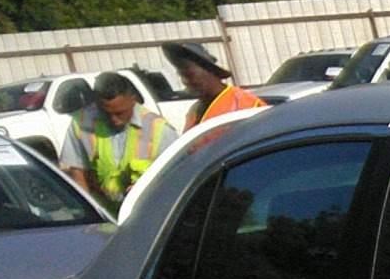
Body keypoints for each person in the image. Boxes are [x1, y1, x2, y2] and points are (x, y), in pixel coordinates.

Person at [58, 75, 173, 212]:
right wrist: (90, 213)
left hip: (147, 213)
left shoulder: (159, 129)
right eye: (106, 113)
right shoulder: (82, 123)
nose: (114, 120)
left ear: (133, 100)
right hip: (105, 215)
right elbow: (77, 172)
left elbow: (176, 176)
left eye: (120, 113)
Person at [163, 41, 264, 127]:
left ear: (210, 71)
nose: (185, 81)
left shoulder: (246, 105)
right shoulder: (194, 111)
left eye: (189, 75)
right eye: (181, 76)